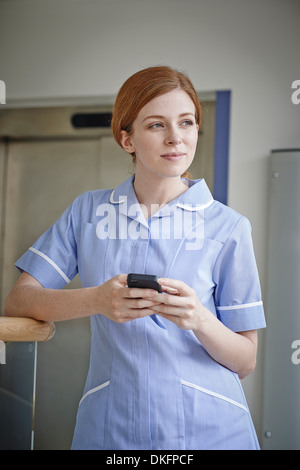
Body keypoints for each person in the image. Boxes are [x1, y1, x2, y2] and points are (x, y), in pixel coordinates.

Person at [5, 65, 266, 450]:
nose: (176, 138)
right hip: (112, 429)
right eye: (156, 125)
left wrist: (199, 319)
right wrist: (96, 300)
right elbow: (19, 301)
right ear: (127, 139)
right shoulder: (88, 212)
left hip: (210, 430)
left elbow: (245, 361)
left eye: (187, 122)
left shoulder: (228, 227)